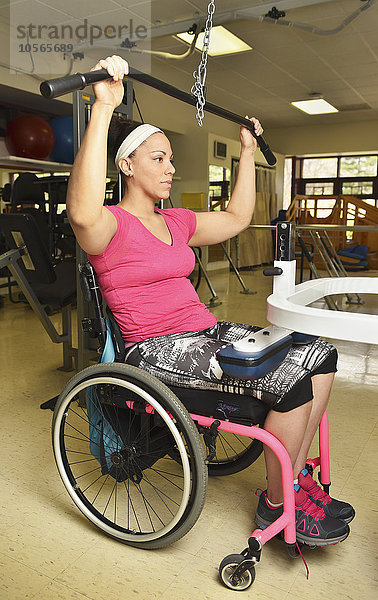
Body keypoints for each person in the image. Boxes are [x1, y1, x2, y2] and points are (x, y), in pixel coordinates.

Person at [66, 55, 354, 547]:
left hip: (205, 333)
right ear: (126, 164)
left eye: (171, 159)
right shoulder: (110, 223)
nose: (170, 168)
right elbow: (81, 210)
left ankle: (292, 483)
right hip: (157, 350)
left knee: (320, 355)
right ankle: (279, 505)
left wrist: (246, 150)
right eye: (159, 158)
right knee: (288, 381)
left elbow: (237, 217)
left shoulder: (175, 221)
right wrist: (103, 109)